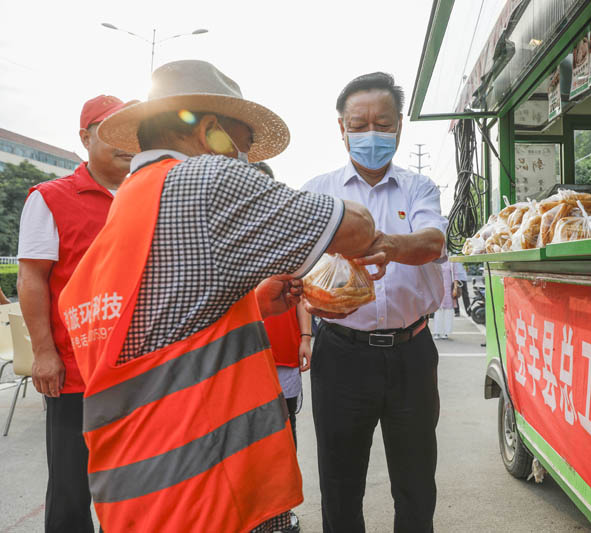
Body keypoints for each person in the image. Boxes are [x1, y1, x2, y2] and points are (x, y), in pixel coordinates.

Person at [57, 60, 379, 533]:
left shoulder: (130, 202)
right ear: (210, 132)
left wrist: (250, 304)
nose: (246, 163)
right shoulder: (206, 180)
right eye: (243, 149)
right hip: (210, 497)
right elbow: (356, 228)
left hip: (135, 497)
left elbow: (165, 324)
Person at [302, 72, 447, 533]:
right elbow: (297, 267)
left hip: (411, 353)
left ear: (399, 127)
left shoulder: (418, 188)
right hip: (342, 354)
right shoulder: (318, 191)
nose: (370, 134)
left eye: (381, 123)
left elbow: (432, 242)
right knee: (341, 487)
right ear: (341, 128)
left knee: (416, 484)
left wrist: (387, 246)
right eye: (358, 124)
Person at [16, 95, 131, 533]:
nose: (123, 140)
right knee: (70, 489)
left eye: (129, 130)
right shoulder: (50, 198)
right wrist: (44, 353)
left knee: (132, 487)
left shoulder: (146, 197)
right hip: (76, 374)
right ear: (85, 137)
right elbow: (32, 280)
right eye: (109, 128)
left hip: (138, 372)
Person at [254, 161, 310, 533]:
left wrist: (306, 337)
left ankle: (281, 514)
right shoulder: (221, 237)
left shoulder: (287, 240)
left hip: (285, 353)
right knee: (248, 438)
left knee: (284, 434)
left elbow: (304, 295)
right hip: (242, 358)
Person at [432, 260, 466, 339]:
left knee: (448, 311)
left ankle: (446, 332)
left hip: (448, 290)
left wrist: (455, 288)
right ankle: (437, 332)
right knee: (438, 310)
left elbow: (455, 275)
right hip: (438, 288)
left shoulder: (451, 261)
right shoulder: (436, 260)